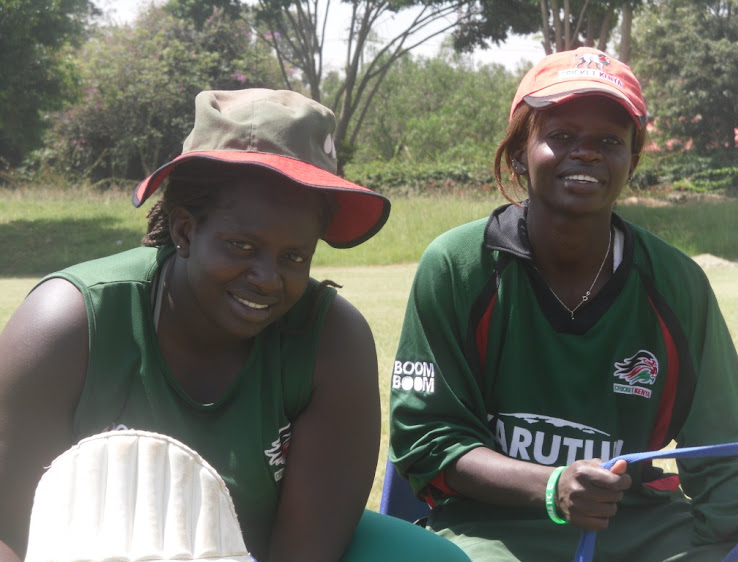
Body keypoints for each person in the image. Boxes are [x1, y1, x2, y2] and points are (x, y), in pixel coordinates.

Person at [0, 88, 470, 562]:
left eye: (294, 256)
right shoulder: (68, 325)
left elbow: (304, 551)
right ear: (184, 229)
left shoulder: (332, 342)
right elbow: (11, 534)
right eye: (242, 246)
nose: (268, 279)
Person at [388, 47, 738, 561]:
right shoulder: (457, 265)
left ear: (631, 160)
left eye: (609, 141)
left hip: (635, 525)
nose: (587, 153)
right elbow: (424, 439)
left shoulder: (676, 283)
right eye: (560, 137)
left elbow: (727, 454)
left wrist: (729, 546)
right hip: (490, 526)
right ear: (519, 153)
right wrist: (552, 487)